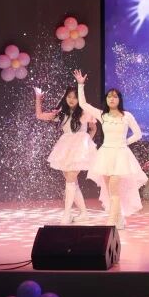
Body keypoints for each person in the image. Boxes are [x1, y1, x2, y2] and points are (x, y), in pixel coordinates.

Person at [72, 69, 147, 229]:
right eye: (109, 96)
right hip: (106, 155)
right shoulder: (102, 115)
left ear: (119, 99)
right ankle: (119, 219)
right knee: (110, 191)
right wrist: (80, 85)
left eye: (115, 96)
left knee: (114, 189)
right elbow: (83, 104)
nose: (112, 99)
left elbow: (138, 134)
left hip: (120, 155)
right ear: (106, 100)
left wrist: (124, 143)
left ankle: (111, 222)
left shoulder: (127, 116)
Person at [34, 85, 97, 223]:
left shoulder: (85, 112)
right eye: (69, 97)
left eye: (75, 97)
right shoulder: (61, 113)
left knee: (71, 179)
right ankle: (84, 213)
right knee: (72, 181)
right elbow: (39, 115)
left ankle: (67, 214)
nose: (71, 99)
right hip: (65, 148)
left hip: (79, 148)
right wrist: (38, 98)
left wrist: (86, 145)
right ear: (65, 97)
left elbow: (93, 129)